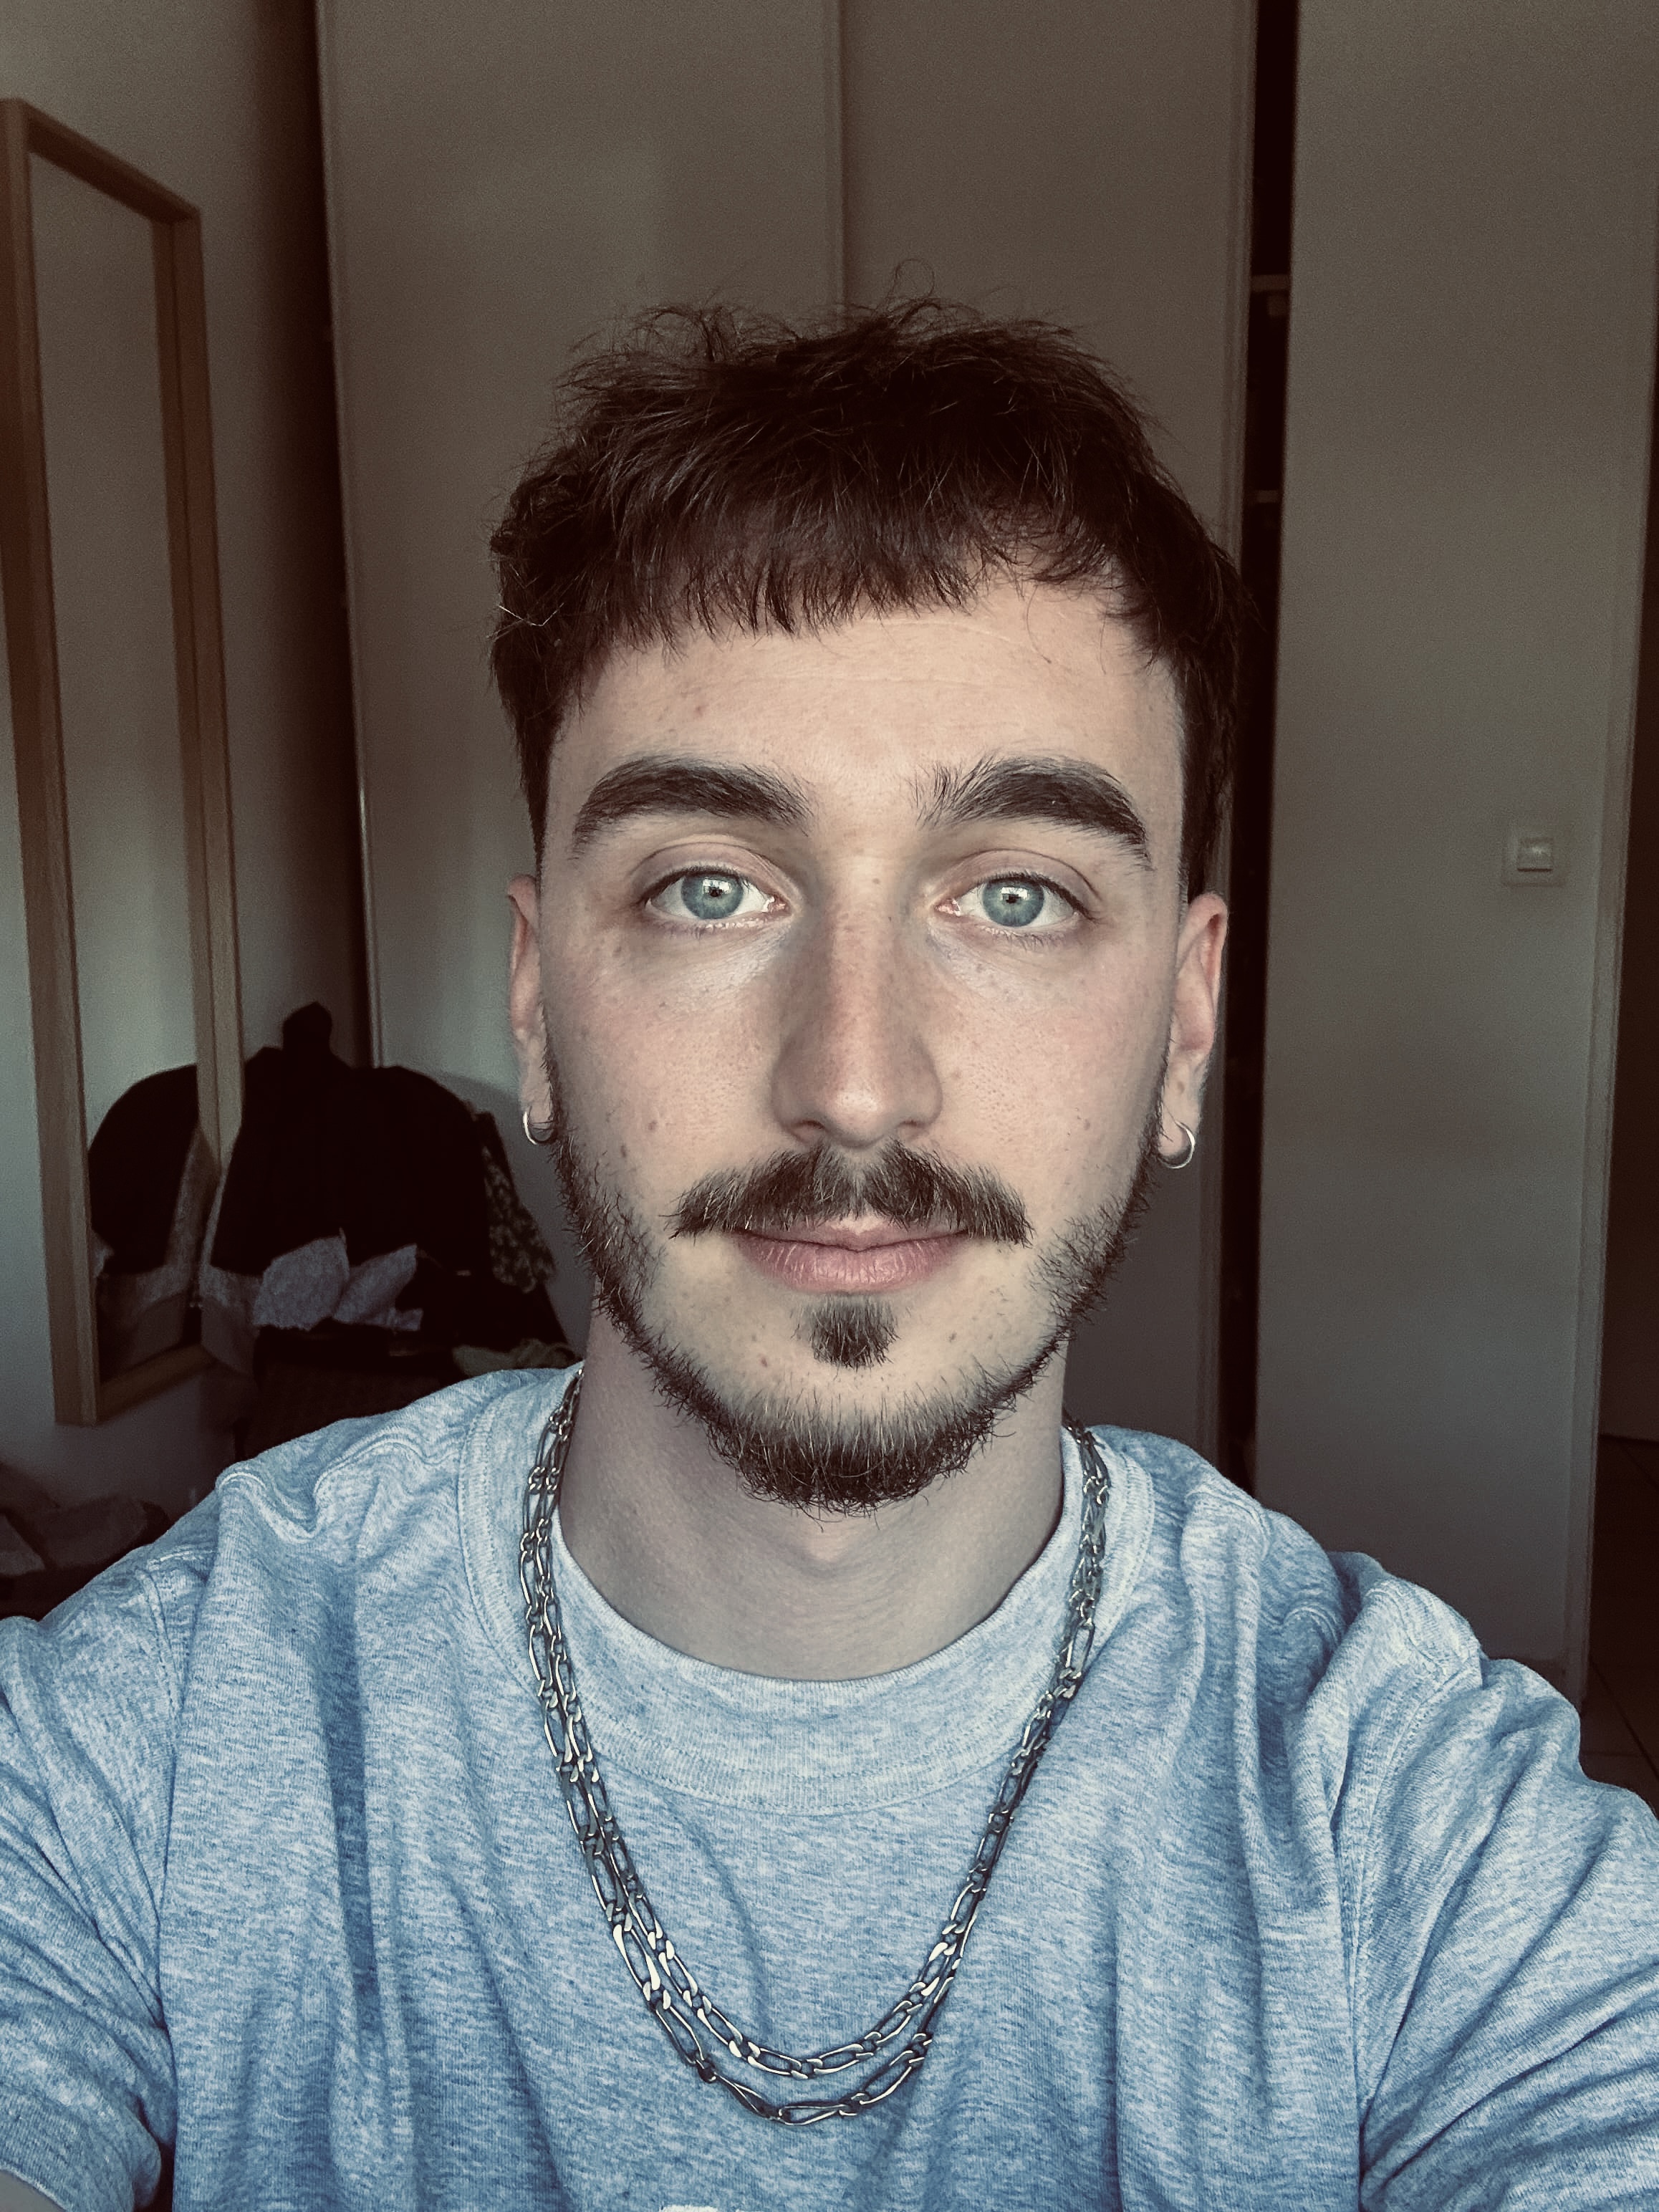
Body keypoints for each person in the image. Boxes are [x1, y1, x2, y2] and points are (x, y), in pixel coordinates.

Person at [2, 301, 1655, 2212]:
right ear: (536, 1002)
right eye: (709, 887)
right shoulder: (176, 1722)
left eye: (1016, 896)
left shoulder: (1411, 1829)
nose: (855, 1081)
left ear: (1184, 1028)